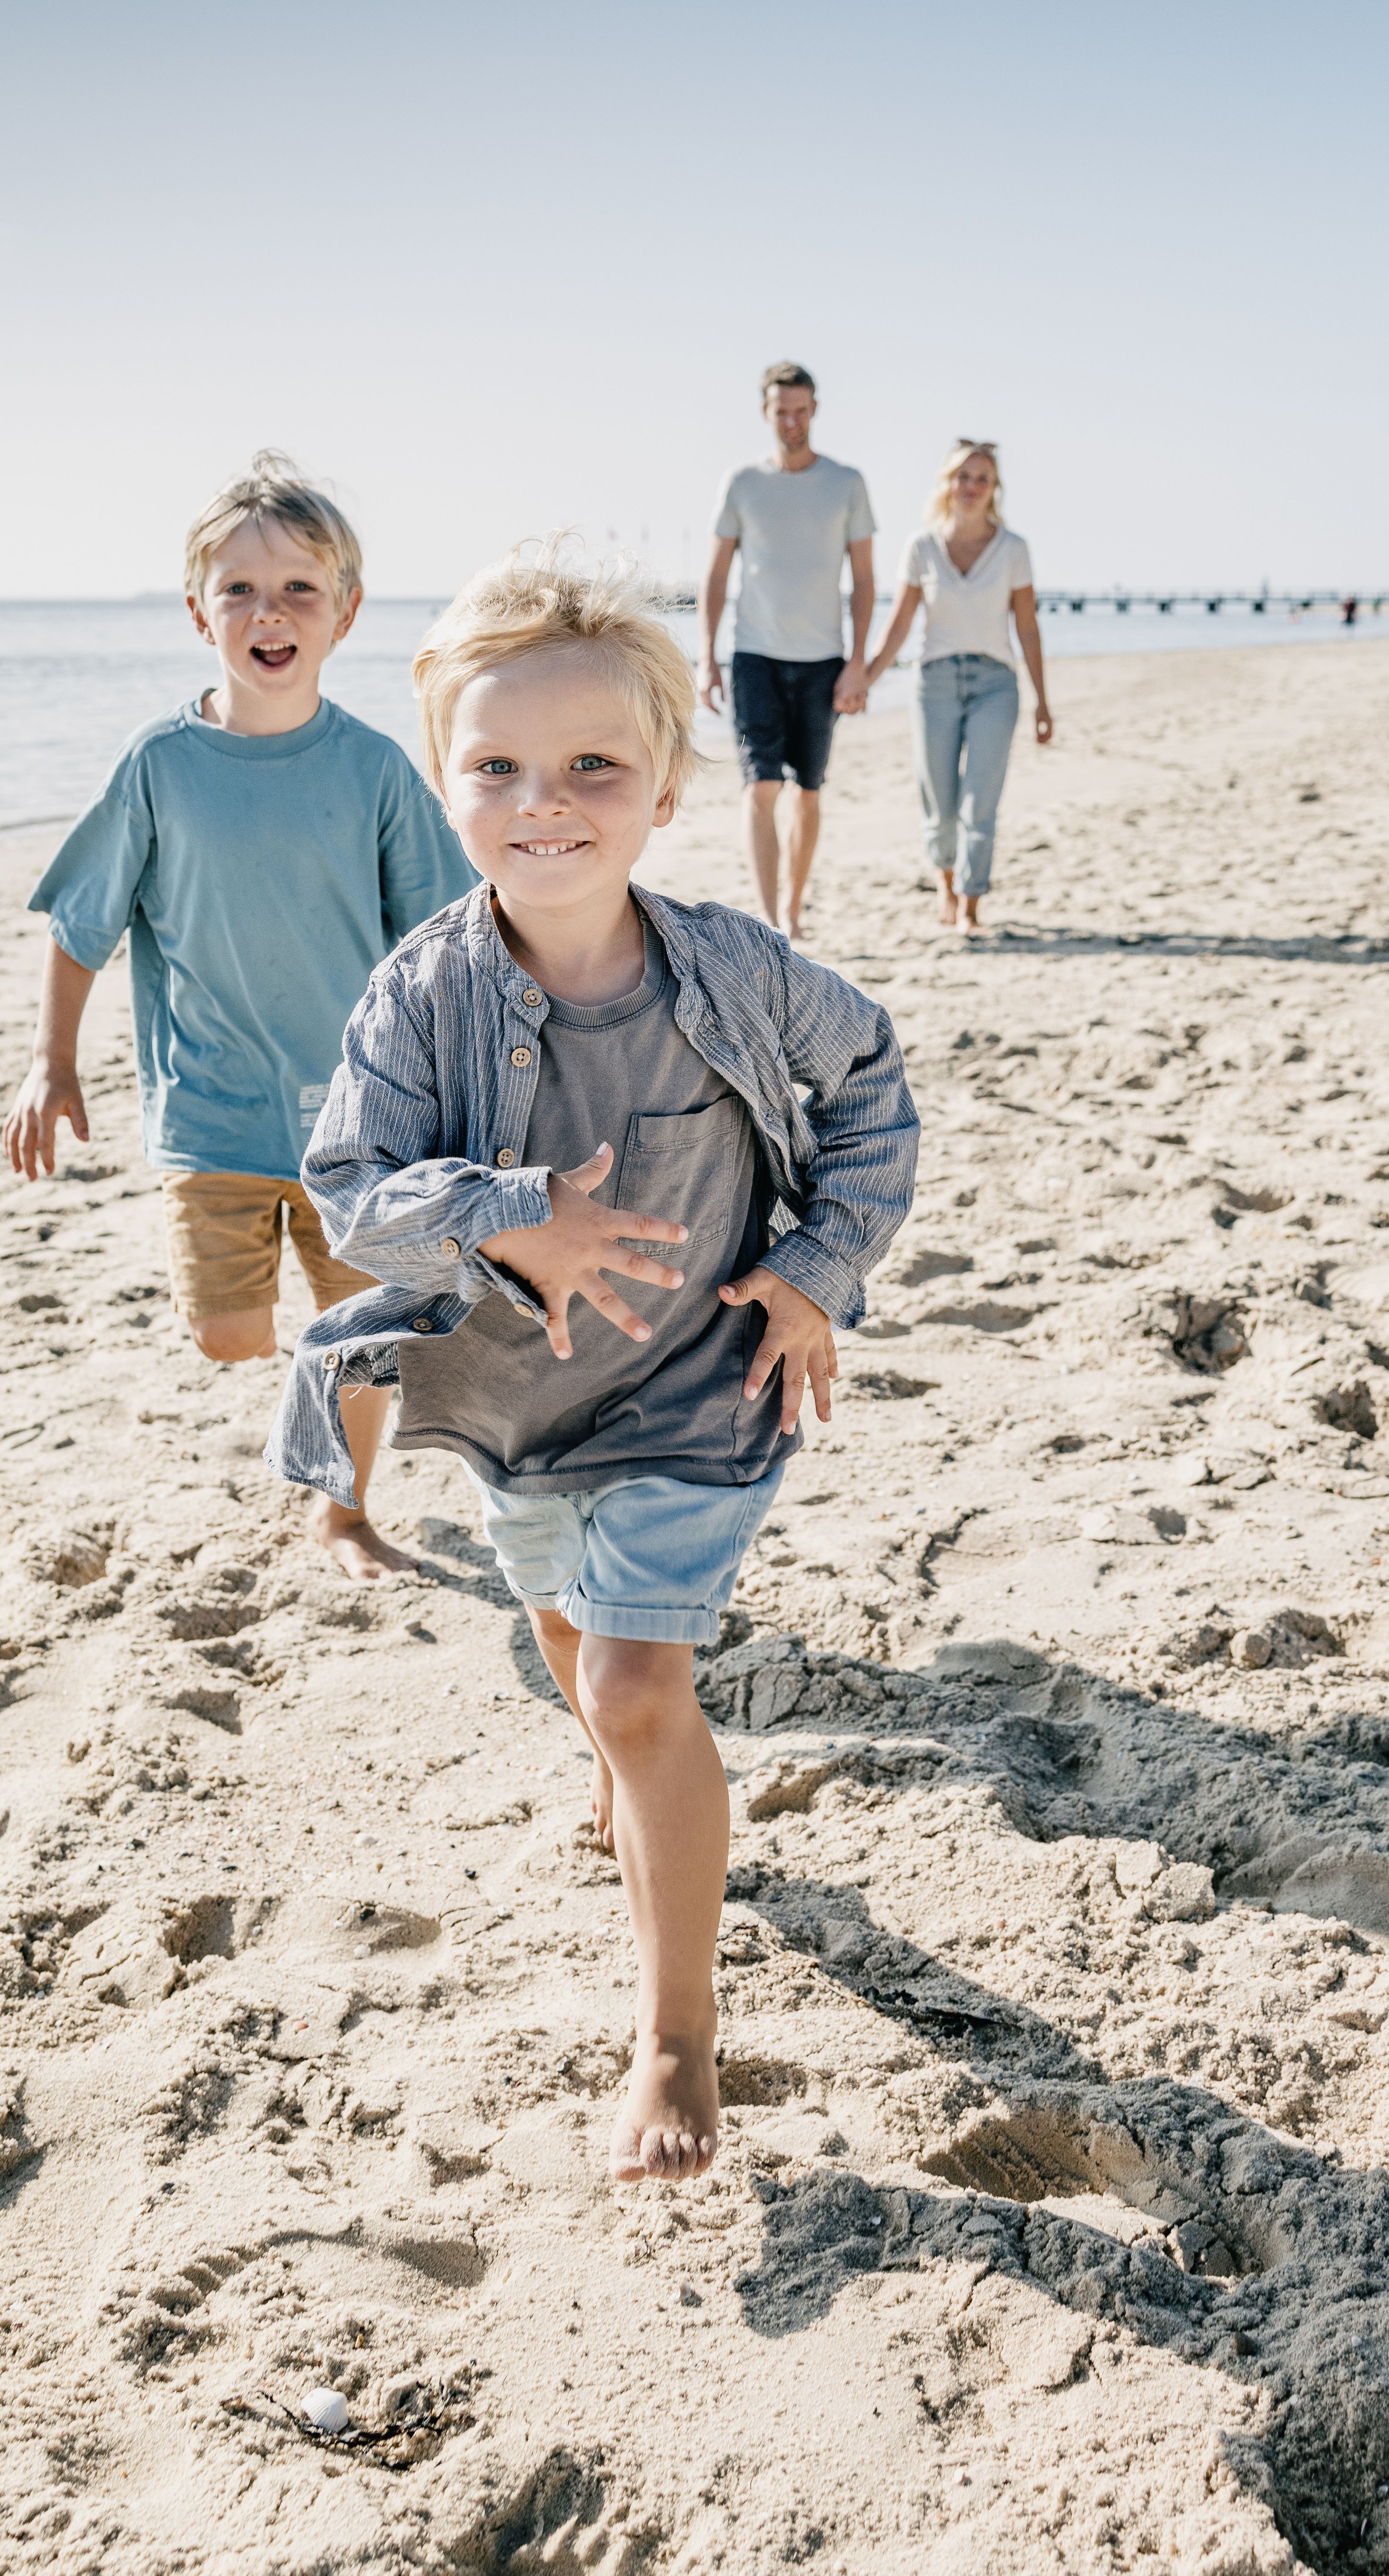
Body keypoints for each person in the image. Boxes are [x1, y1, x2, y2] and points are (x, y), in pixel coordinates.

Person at [266, 543, 918, 2179]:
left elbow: (871, 1090)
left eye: (590, 767)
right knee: (575, 1654)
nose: (541, 801)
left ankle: (676, 2034)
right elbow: (346, 1189)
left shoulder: (743, 970)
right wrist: (507, 1221)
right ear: (442, 784)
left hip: (703, 1391)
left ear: (664, 788)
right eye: (494, 766)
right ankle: (639, 1784)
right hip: (514, 1403)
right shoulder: (419, 994)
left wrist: (815, 1268)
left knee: (637, 1684)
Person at [1, 452, 473, 1579]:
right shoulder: (161, 766)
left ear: (345, 612)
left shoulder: (372, 770)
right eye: (242, 590)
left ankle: (344, 1512)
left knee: (361, 1338)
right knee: (225, 1336)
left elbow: (441, 938)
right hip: (210, 1116)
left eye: (300, 589)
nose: (271, 613)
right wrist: (48, 1063)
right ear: (197, 611)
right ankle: (307, 1368)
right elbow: (81, 924)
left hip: (359, 1121)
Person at [697, 361, 875, 940]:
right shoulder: (743, 484)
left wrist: (858, 663)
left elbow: (866, 580)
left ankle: (794, 907)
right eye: (781, 411)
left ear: (815, 410)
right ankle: (771, 920)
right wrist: (707, 656)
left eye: (801, 410)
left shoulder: (846, 483)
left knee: (809, 791)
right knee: (761, 786)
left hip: (823, 660)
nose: (792, 421)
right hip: (754, 655)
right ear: (766, 412)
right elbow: (717, 574)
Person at [866, 438, 1052, 934]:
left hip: (996, 683)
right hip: (935, 682)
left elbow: (1028, 628)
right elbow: (900, 625)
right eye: (962, 477)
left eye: (982, 479)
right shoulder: (922, 547)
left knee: (980, 801)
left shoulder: (1014, 550)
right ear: (948, 484)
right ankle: (947, 888)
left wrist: (1042, 702)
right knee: (940, 800)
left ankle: (971, 906)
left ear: (995, 490)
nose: (971, 487)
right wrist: (864, 678)